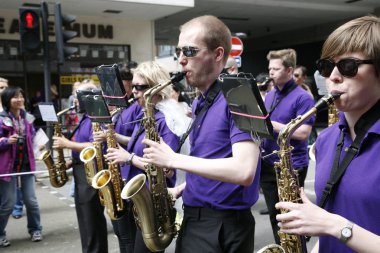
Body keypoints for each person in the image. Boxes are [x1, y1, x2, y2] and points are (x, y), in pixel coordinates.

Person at [139, 15, 261, 253]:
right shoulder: (199, 101)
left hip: (223, 224)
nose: (181, 60)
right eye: (178, 52)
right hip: (196, 218)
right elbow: (213, 157)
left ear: (217, 55)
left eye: (190, 51)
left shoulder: (241, 96)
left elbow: (244, 171)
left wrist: (173, 159)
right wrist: (182, 189)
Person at [276, 15, 380, 253]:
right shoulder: (326, 139)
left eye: (348, 66)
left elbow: (334, 224)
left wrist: (333, 225)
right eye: (326, 66)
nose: (332, 76)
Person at [104, 61, 184, 253]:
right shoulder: (149, 115)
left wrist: (128, 158)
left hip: (154, 202)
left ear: (157, 88)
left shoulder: (166, 121)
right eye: (134, 87)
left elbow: (165, 170)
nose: (134, 92)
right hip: (140, 199)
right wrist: (114, 137)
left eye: (140, 87)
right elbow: (138, 143)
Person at [260, 48, 315, 244]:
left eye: (276, 69)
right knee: (277, 218)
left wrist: (271, 125)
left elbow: (303, 133)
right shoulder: (271, 94)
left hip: (292, 166)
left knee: (293, 220)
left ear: (289, 71)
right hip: (268, 164)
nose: (271, 73)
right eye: (270, 68)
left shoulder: (303, 97)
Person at [52, 80, 108, 253]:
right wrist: (72, 160)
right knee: (85, 221)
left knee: (91, 222)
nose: (74, 101)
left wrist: (67, 144)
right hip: (81, 171)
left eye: (78, 96)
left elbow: (95, 146)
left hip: (90, 174)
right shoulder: (86, 116)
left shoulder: (96, 116)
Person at [0, 86, 43, 247]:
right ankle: (0, 234)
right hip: (7, 167)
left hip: (27, 165)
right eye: (15, 97)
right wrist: (6, 141)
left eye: (21, 96)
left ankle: (35, 229)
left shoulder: (27, 118)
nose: (19, 99)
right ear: (7, 100)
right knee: (8, 204)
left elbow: (34, 136)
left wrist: (40, 145)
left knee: (31, 201)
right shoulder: (1, 118)